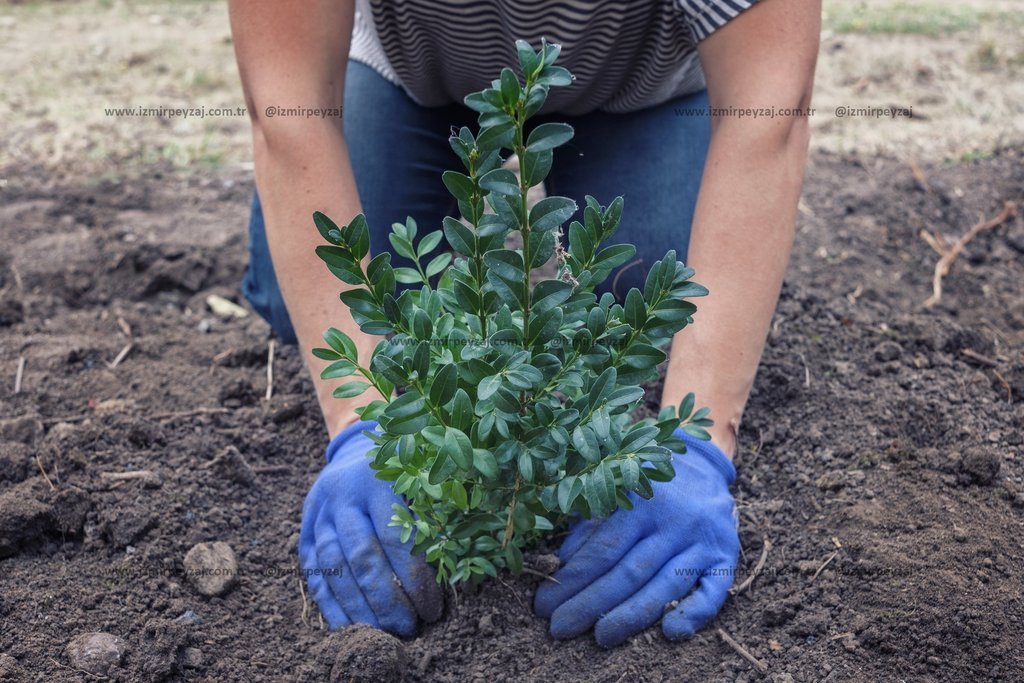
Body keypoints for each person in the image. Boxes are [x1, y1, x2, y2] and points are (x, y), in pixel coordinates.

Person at [227, 0, 820, 648]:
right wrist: (361, 422)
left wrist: (697, 439)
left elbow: (769, 115)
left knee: (647, 295)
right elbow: (288, 111)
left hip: (642, 90)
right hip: (412, 78)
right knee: (310, 300)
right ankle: (468, 228)